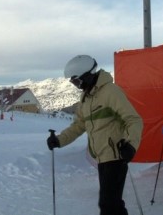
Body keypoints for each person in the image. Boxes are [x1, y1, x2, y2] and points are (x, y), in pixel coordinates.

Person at [46, 55, 143, 215]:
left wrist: (131, 145)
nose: (76, 86)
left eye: (76, 81)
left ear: (87, 75)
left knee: (108, 204)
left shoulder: (110, 92)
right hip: (101, 157)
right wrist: (58, 140)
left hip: (116, 155)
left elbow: (133, 120)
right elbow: (79, 125)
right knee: (113, 204)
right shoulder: (86, 98)